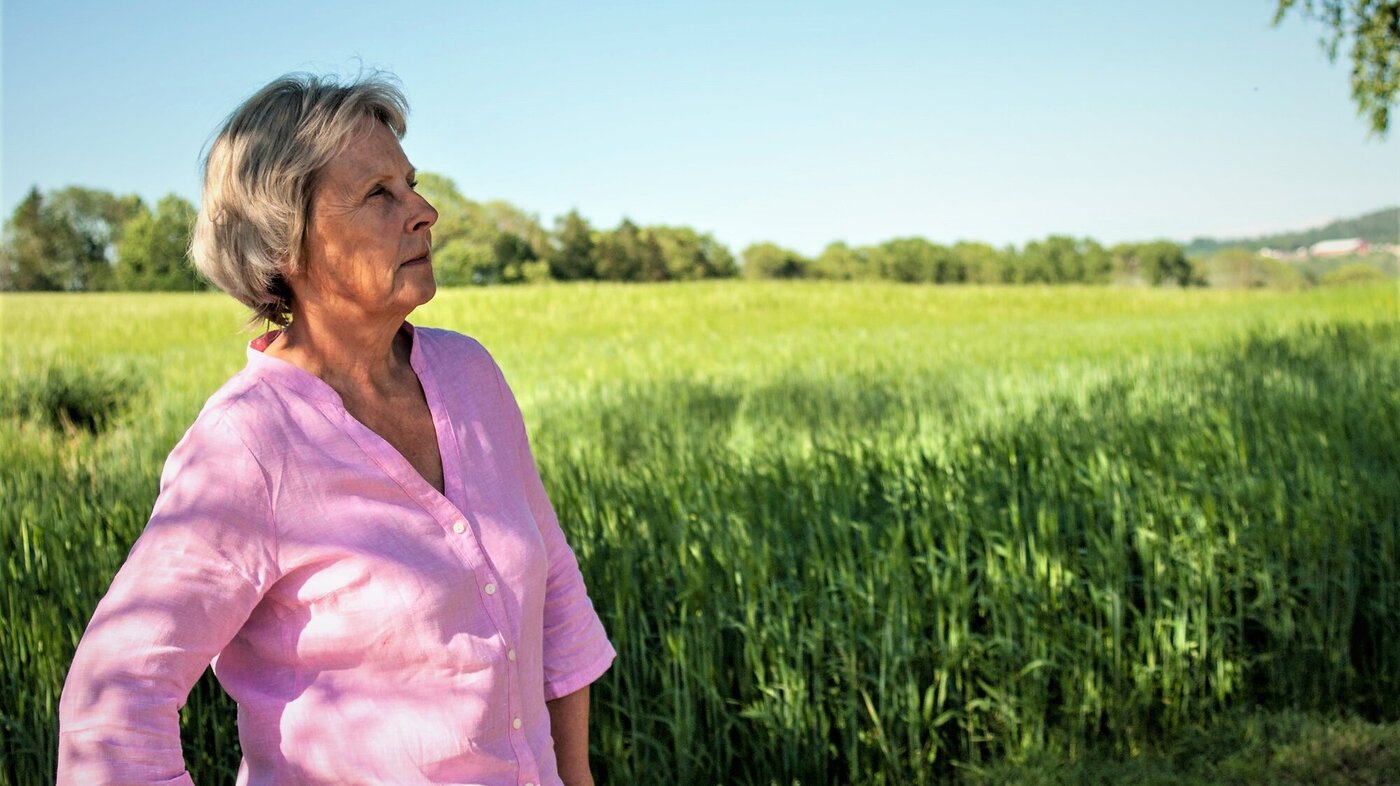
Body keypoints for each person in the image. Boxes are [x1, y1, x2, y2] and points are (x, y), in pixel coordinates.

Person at [57, 72, 615, 786]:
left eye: (411, 184)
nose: (425, 212)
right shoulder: (248, 445)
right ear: (287, 243)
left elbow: (556, 593)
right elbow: (113, 704)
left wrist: (574, 774)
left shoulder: (470, 376)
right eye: (380, 194)